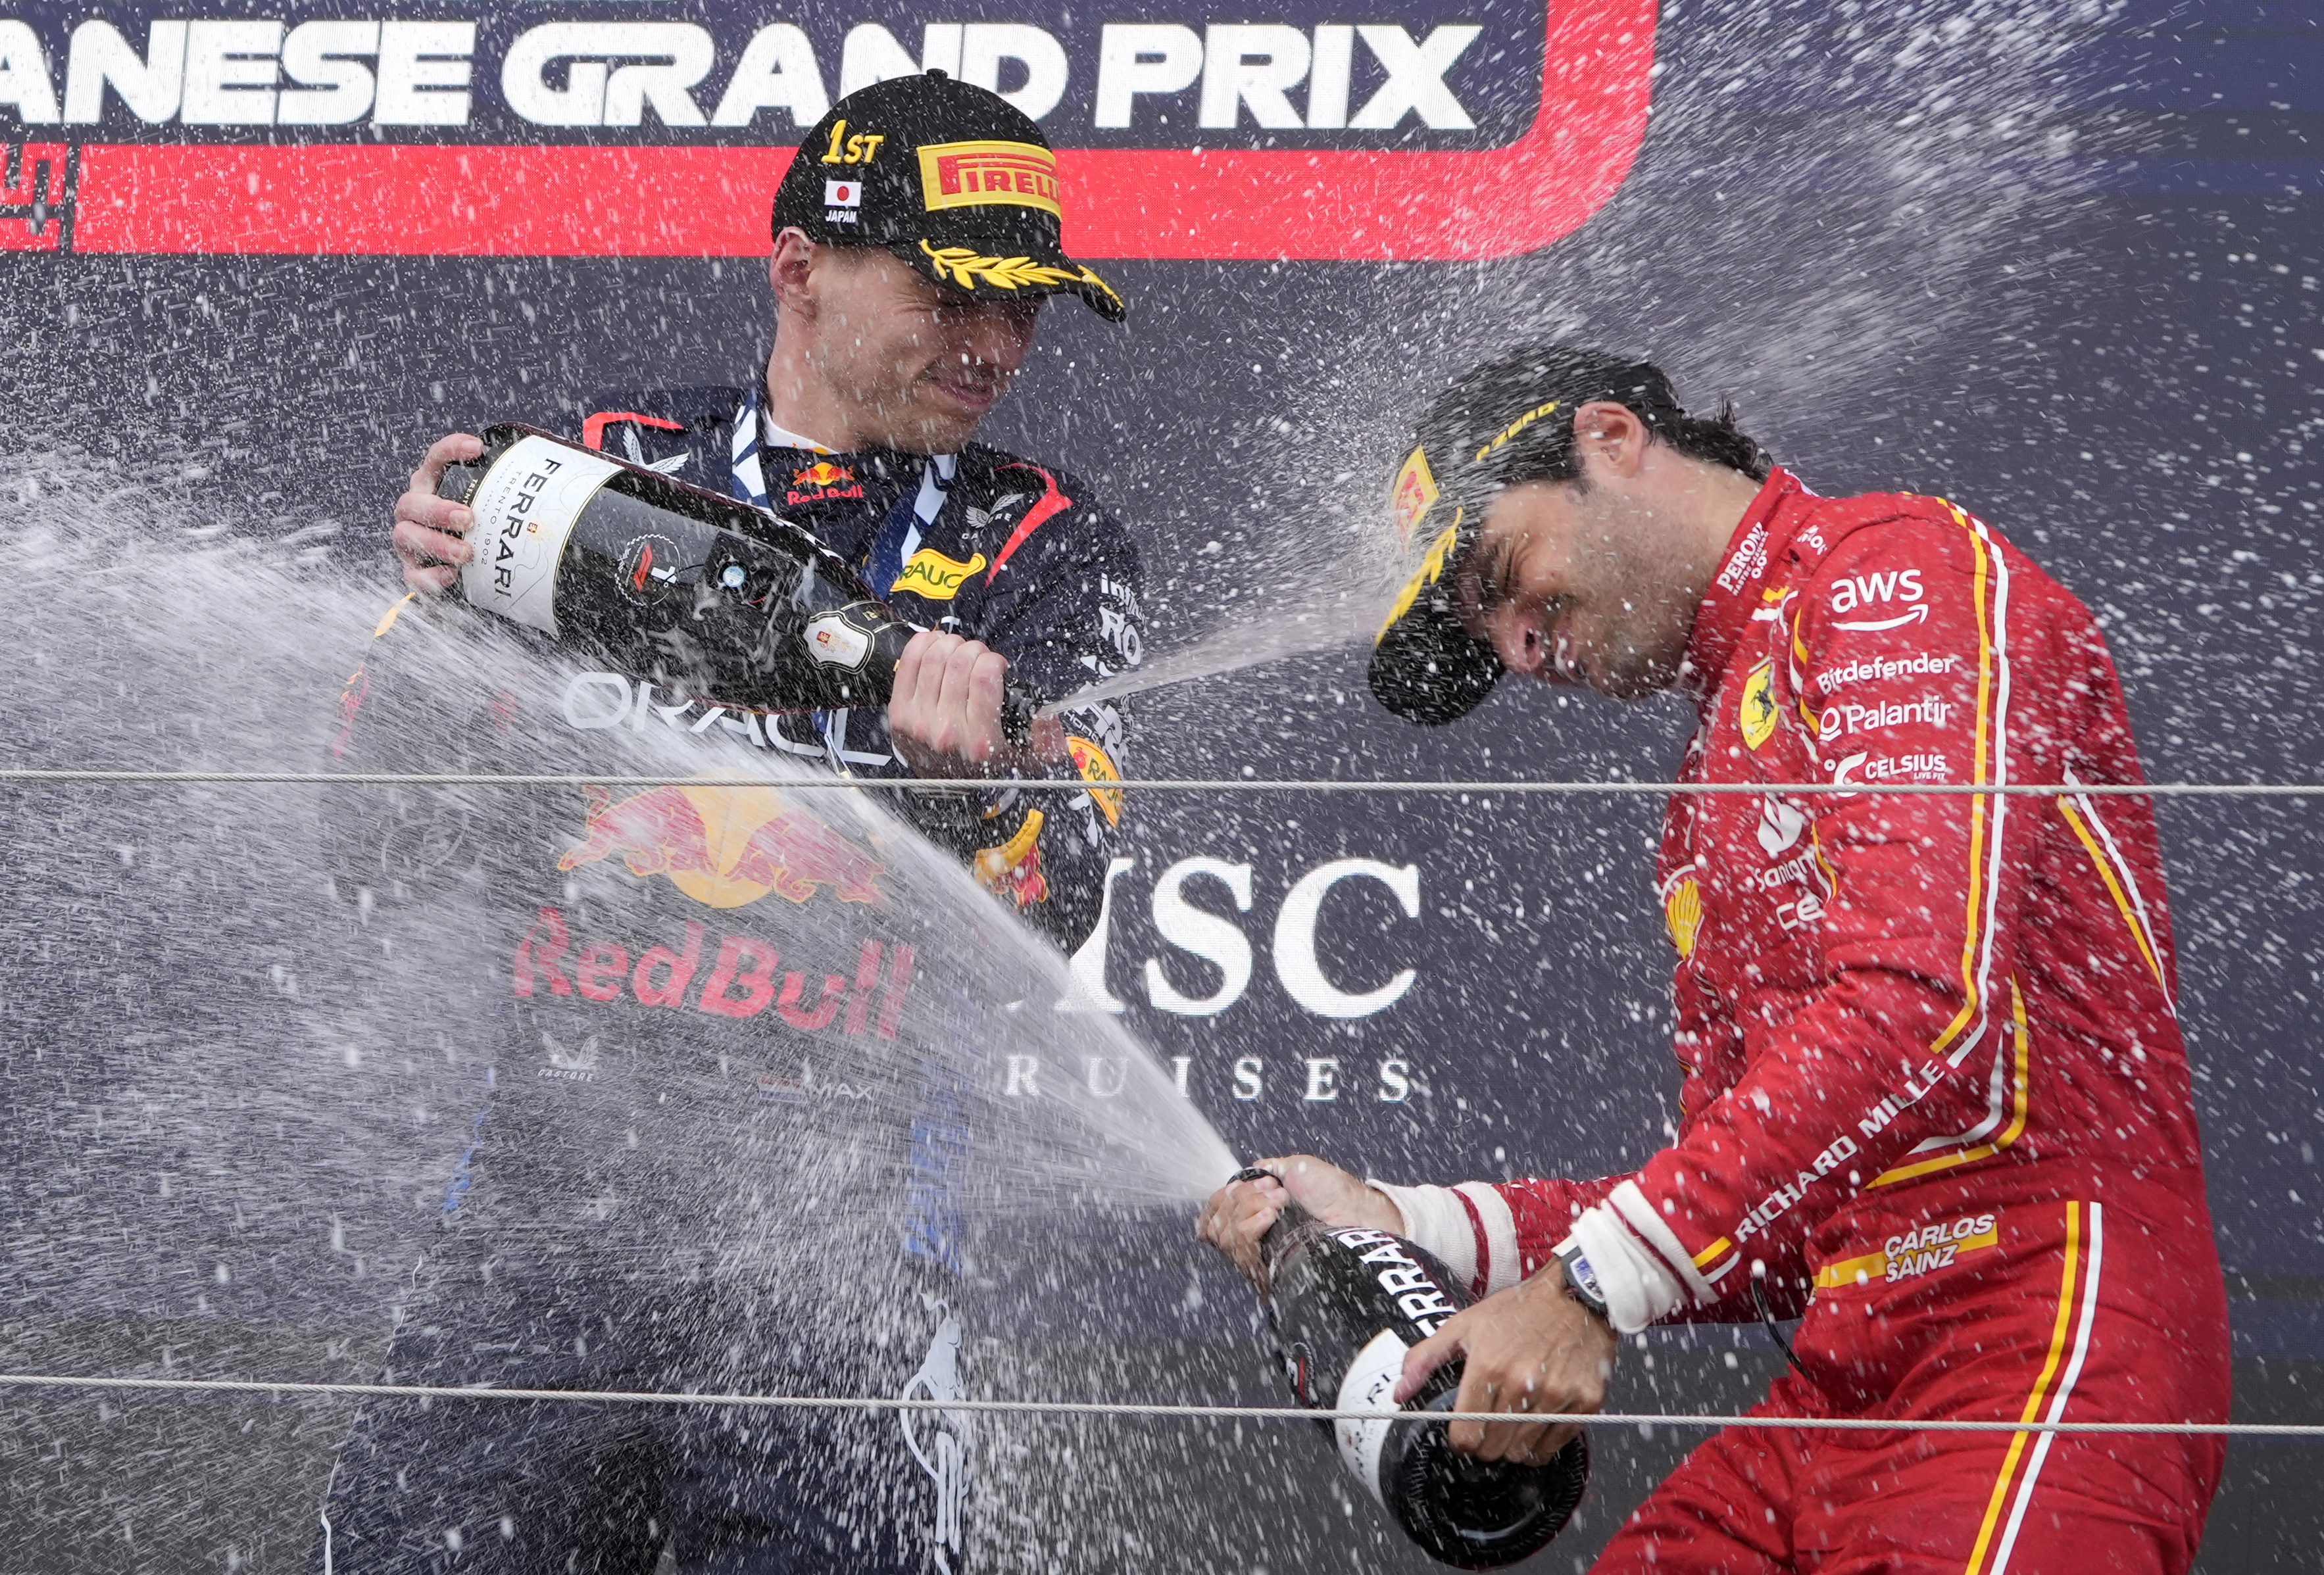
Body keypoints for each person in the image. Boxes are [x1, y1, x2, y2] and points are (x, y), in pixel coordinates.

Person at [1200, 345, 2229, 1574]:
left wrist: (1584, 1291)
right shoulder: (1702, 798)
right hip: (1854, 1373)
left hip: (2046, 1326)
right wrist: (1414, 1221)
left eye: (1503, 577)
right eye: (1490, 641)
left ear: (1611, 440)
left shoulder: (1891, 572)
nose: (1523, 651)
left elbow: (1922, 1006)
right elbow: (1767, 1223)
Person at [318, 72, 1141, 1574]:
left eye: (1029, 310)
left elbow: (1061, 901)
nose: (995, 345)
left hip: (837, 1265)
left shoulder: (1053, 549)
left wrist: (989, 790)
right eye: (954, 291)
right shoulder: (598, 466)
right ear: (799, 269)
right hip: (533, 1249)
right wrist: (429, 628)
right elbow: (370, 837)